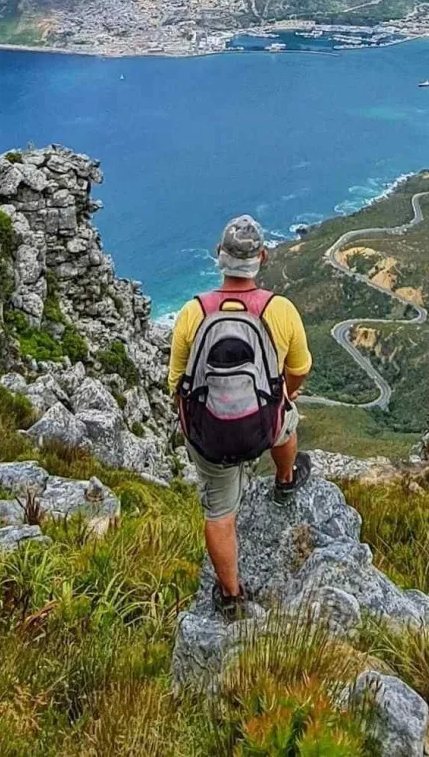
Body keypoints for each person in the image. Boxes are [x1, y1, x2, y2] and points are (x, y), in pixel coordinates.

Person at [168, 214, 313, 617]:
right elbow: (299, 369)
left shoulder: (192, 312)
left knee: (219, 512)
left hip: (210, 437)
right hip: (264, 427)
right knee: (287, 420)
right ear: (263, 257)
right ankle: (284, 481)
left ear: (220, 257)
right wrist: (283, 394)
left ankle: (232, 598)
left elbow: (176, 381)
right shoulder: (280, 310)